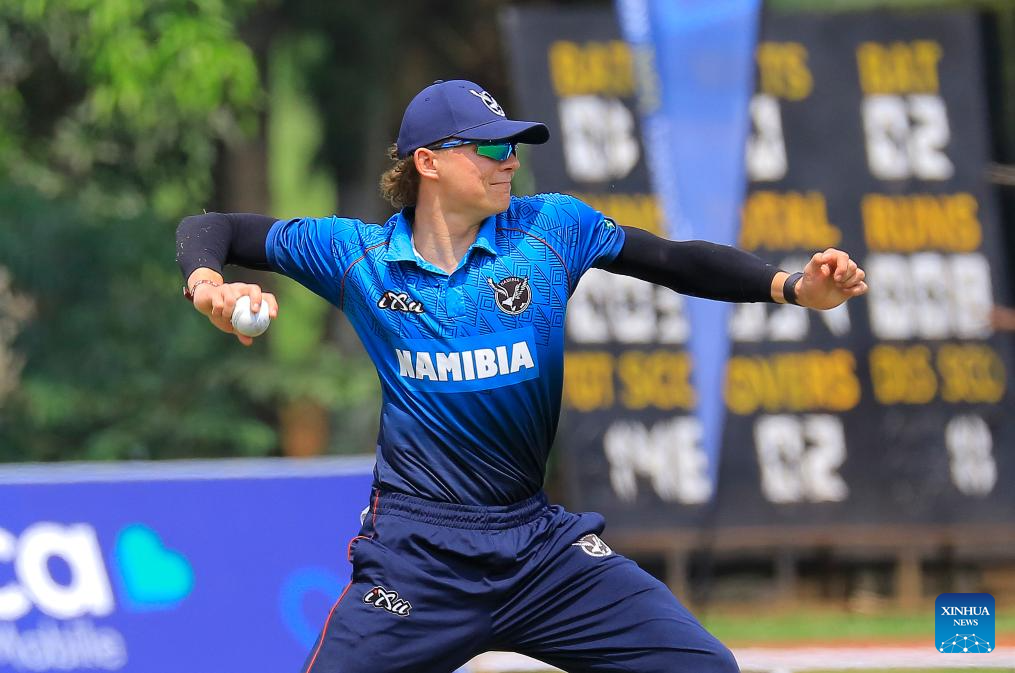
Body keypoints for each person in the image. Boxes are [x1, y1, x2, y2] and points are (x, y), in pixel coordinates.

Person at [176, 79, 867, 673]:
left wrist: (791, 287)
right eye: (489, 148)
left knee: (703, 666)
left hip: (538, 549)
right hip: (419, 558)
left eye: (513, 146)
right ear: (428, 162)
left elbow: (669, 259)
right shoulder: (359, 256)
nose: (509, 160)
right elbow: (213, 228)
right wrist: (209, 287)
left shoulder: (550, 230)